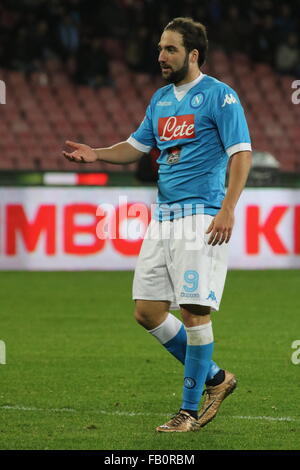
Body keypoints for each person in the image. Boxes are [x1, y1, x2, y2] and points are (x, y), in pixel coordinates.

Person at [63, 17, 252, 433]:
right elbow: (135, 146)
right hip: (163, 218)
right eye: (160, 49)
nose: (160, 56)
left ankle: (188, 410)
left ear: (193, 54)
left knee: (193, 312)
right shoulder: (161, 100)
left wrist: (227, 208)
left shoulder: (220, 97)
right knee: (147, 311)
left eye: (169, 49)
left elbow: (241, 154)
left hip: (201, 217)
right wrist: (95, 154)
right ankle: (217, 379)